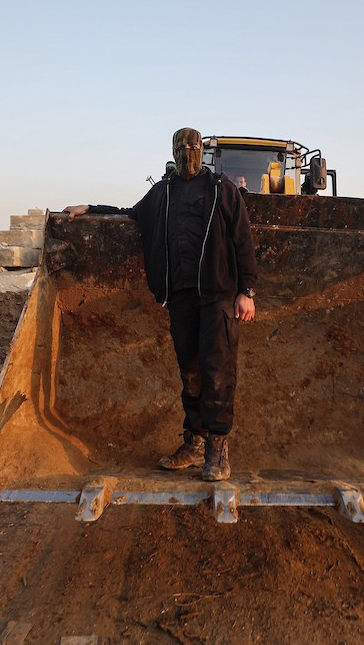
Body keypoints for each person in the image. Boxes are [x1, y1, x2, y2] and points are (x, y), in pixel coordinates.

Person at [63, 128, 258, 481]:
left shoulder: (221, 189)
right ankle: (194, 442)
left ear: (202, 151)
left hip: (218, 296)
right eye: (181, 147)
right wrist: (89, 208)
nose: (188, 152)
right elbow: (130, 214)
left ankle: (217, 449)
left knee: (218, 371)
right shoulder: (162, 192)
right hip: (180, 296)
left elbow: (242, 238)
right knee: (191, 371)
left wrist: (246, 290)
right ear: (172, 151)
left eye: (193, 146)